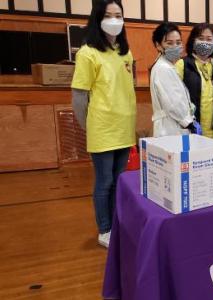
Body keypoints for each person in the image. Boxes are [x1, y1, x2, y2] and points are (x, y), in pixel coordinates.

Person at [71, 0, 136, 248]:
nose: (114, 19)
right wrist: (89, 127)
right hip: (102, 128)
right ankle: (105, 229)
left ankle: (117, 222)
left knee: (120, 180)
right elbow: (79, 96)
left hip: (123, 127)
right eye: (108, 15)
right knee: (104, 181)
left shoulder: (124, 51)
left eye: (118, 15)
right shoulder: (87, 52)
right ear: (97, 19)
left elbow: (126, 90)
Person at [175, 23, 213, 140]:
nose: (205, 43)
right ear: (193, 41)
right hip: (192, 129)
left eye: (209, 39)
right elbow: (176, 97)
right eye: (200, 39)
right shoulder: (182, 64)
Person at [150, 22, 197, 137]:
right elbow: (173, 104)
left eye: (178, 42)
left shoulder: (167, 66)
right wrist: (188, 122)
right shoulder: (163, 68)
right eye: (169, 43)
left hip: (173, 127)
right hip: (170, 128)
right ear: (158, 45)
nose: (175, 46)